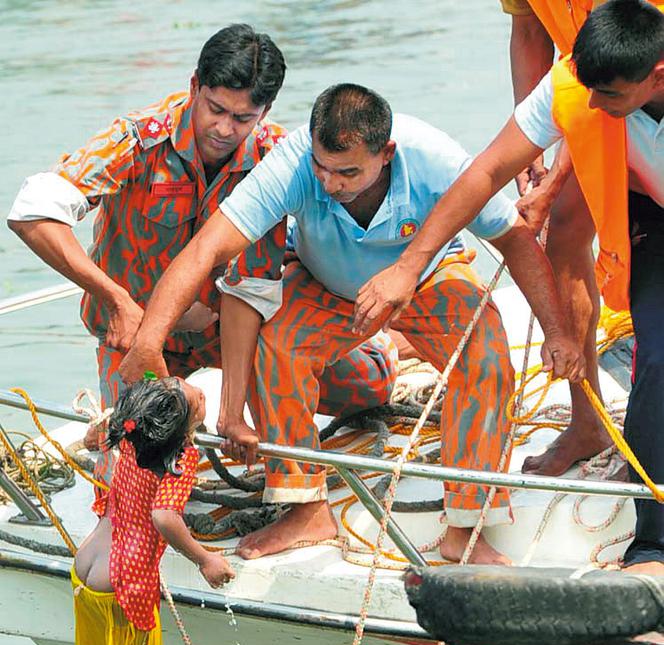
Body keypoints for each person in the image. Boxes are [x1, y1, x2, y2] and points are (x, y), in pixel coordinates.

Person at [121, 83, 582, 566]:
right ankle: (305, 508)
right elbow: (206, 249)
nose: (329, 183)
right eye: (321, 167)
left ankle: (465, 526)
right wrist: (149, 341)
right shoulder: (292, 163)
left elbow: (515, 240)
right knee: (277, 342)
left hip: (426, 277)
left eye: (347, 172)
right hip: (329, 285)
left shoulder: (435, 159)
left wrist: (557, 332)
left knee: (485, 356)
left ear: (387, 154)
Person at [353, 0, 664, 575]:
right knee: (659, 362)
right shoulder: (576, 86)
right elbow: (486, 172)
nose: (593, 108)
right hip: (655, 216)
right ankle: (655, 548)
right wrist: (409, 266)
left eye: (610, 98)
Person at [6, 24, 288, 484]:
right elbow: (32, 211)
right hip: (133, 338)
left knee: (361, 382)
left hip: (227, 330)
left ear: (265, 110)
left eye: (242, 117)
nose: (224, 128)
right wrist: (115, 299)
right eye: (215, 109)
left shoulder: (277, 156)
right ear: (195, 86)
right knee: (133, 481)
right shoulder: (137, 140)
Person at [55, 377, 235, 645]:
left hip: (87, 566)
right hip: (124, 579)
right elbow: (164, 517)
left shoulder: (131, 435)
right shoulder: (180, 458)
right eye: (192, 397)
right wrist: (204, 559)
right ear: (181, 429)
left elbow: (100, 445)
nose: (197, 389)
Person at [501, 0, 611, 476]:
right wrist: (533, 143)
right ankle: (588, 421)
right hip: (581, 94)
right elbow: (529, 32)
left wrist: (557, 180)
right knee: (562, 236)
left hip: (637, 88)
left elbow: (618, 60)